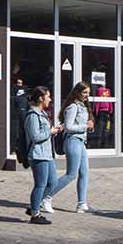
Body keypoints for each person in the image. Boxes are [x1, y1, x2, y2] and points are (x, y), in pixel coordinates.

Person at [48, 81, 94, 214]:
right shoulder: (72, 107)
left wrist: (89, 127)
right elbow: (69, 127)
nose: (86, 95)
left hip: (81, 142)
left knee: (84, 173)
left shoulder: (83, 106)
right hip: (72, 141)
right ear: (77, 92)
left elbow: (81, 126)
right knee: (71, 174)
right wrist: (85, 126)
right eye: (84, 92)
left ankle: (82, 204)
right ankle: (46, 196)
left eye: (88, 93)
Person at [24, 86, 62, 225]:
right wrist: (50, 132)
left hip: (47, 154)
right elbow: (35, 136)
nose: (50, 99)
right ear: (41, 98)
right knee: (40, 185)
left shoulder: (43, 113)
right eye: (48, 96)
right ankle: (35, 214)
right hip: (38, 155)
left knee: (53, 183)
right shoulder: (33, 115)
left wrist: (55, 130)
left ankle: (34, 205)